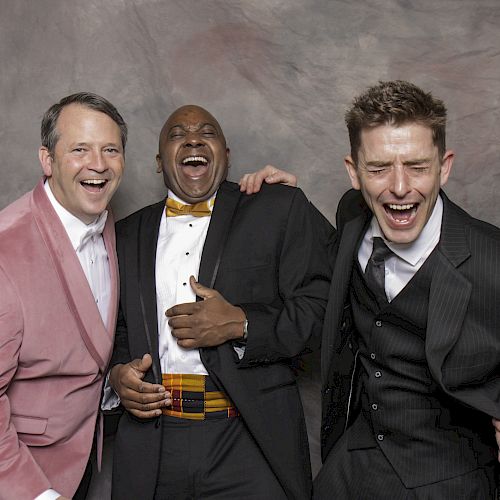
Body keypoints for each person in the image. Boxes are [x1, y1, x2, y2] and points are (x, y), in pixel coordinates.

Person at [245, 80, 500, 498]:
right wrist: (284, 205)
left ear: (445, 165)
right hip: (351, 463)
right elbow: (332, 255)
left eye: (417, 166)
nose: (399, 188)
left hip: (451, 479)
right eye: (379, 169)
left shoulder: (491, 258)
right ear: (354, 171)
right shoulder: (352, 213)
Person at [107, 105, 331, 499]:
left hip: (248, 439)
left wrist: (241, 324)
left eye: (206, 131)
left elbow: (323, 308)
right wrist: (117, 377)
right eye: (177, 134)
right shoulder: (124, 234)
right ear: (160, 163)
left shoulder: (276, 208)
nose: (193, 138)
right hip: (155, 442)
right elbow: (115, 328)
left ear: (226, 156)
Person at [0, 92, 126, 500]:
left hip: (84, 460)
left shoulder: (107, 225)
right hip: (23, 474)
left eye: (111, 149)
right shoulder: (7, 250)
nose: (99, 164)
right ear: (48, 160)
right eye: (80, 149)